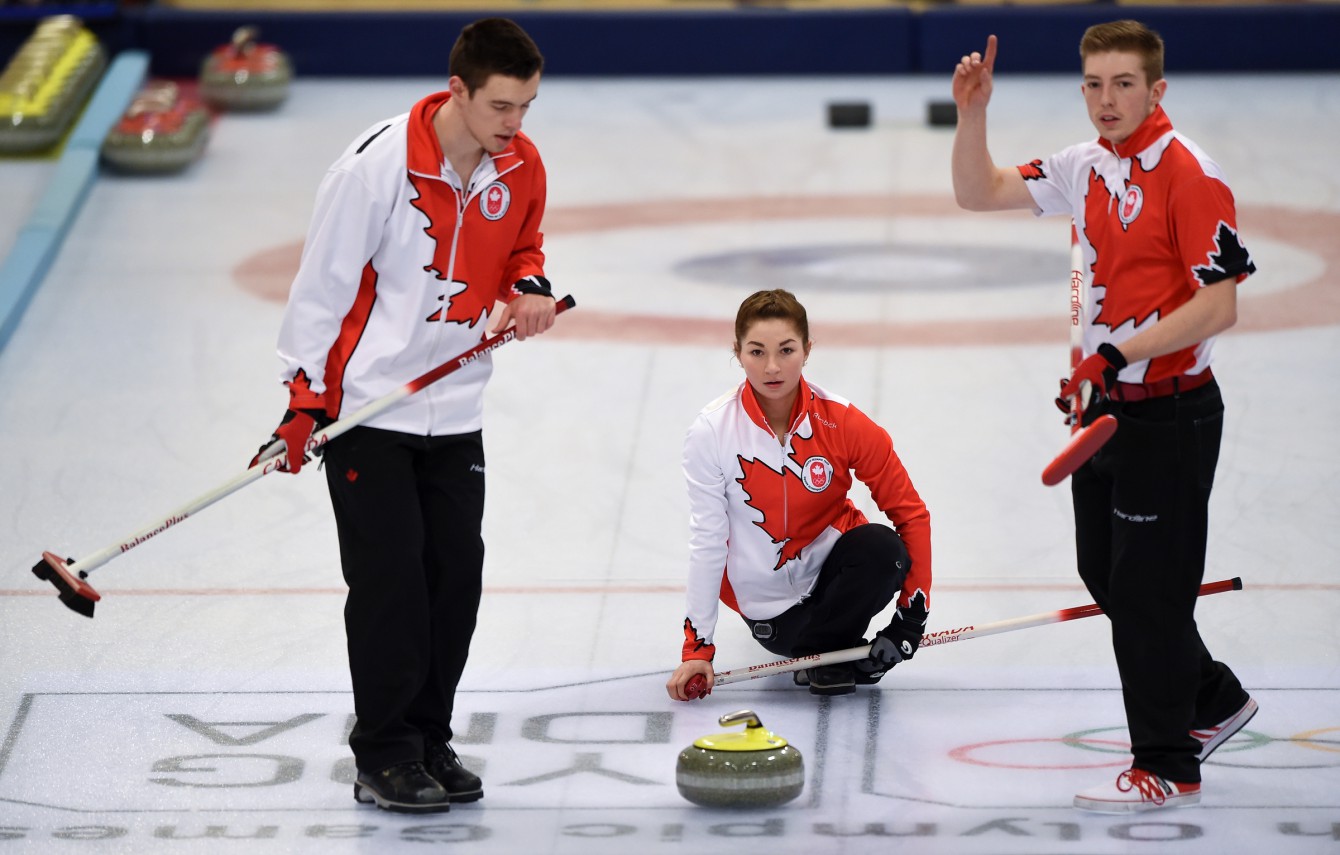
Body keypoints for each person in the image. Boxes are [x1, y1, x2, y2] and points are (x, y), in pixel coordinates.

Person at [250, 18, 557, 814]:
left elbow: (524, 244)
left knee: (454, 579)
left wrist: (528, 289)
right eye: (500, 106)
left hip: (456, 410)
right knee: (391, 586)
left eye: (525, 105)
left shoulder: (520, 164)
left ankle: (428, 737)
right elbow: (321, 289)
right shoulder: (374, 167)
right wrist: (302, 404)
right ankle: (383, 753)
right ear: (456, 90)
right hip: (368, 413)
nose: (514, 124)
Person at [951, 20, 1257, 813]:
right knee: (1107, 572)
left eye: (1123, 84)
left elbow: (1218, 303)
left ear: (1157, 90)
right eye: (1093, 84)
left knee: (1149, 598)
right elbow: (978, 191)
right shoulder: (1083, 165)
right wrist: (972, 112)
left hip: (1170, 412)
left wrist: (1121, 354)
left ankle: (1165, 764)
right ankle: (1213, 696)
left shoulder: (1188, 174)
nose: (1106, 100)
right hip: (1106, 410)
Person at [665, 289, 932, 701]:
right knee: (806, 632)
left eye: (786, 350)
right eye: (756, 352)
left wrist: (910, 620)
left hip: (837, 583)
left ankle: (829, 651)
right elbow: (708, 541)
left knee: (883, 547)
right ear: (737, 352)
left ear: (807, 350)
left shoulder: (843, 421)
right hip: (773, 616)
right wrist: (697, 649)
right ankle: (830, 654)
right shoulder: (712, 431)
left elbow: (911, 514)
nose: (772, 367)